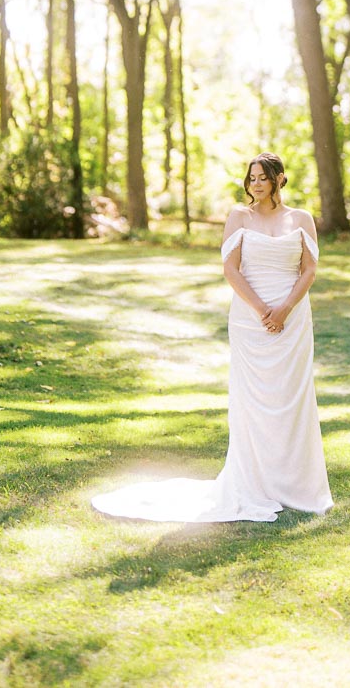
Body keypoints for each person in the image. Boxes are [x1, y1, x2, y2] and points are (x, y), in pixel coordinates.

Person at [91, 151, 333, 522]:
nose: (256, 184)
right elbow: (231, 269)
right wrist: (262, 310)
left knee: (291, 397)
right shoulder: (239, 217)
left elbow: (309, 270)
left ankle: (295, 485)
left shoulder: (301, 219)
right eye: (252, 177)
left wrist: (284, 309)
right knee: (254, 400)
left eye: (263, 177)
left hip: (293, 318)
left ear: (280, 179)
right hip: (250, 319)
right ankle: (254, 481)